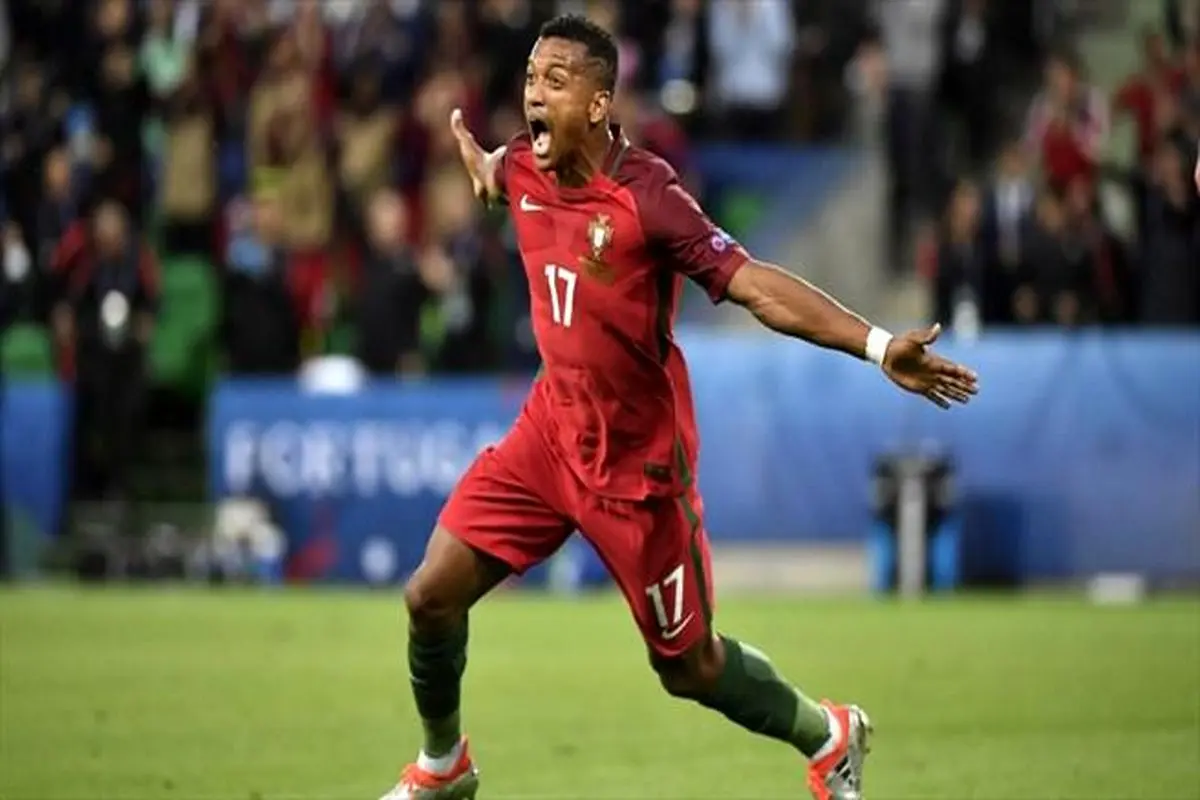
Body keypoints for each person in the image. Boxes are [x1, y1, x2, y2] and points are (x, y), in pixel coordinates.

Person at [381, 15, 979, 800]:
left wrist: (875, 345)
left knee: (690, 667)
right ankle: (442, 767)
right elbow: (504, 177)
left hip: (639, 474)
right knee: (429, 596)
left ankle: (828, 734)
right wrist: (485, 171)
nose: (533, 95)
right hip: (550, 438)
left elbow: (755, 286)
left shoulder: (648, 198)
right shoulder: (526, 162)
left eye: (555, 81)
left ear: (600, 103)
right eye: (529, 79)